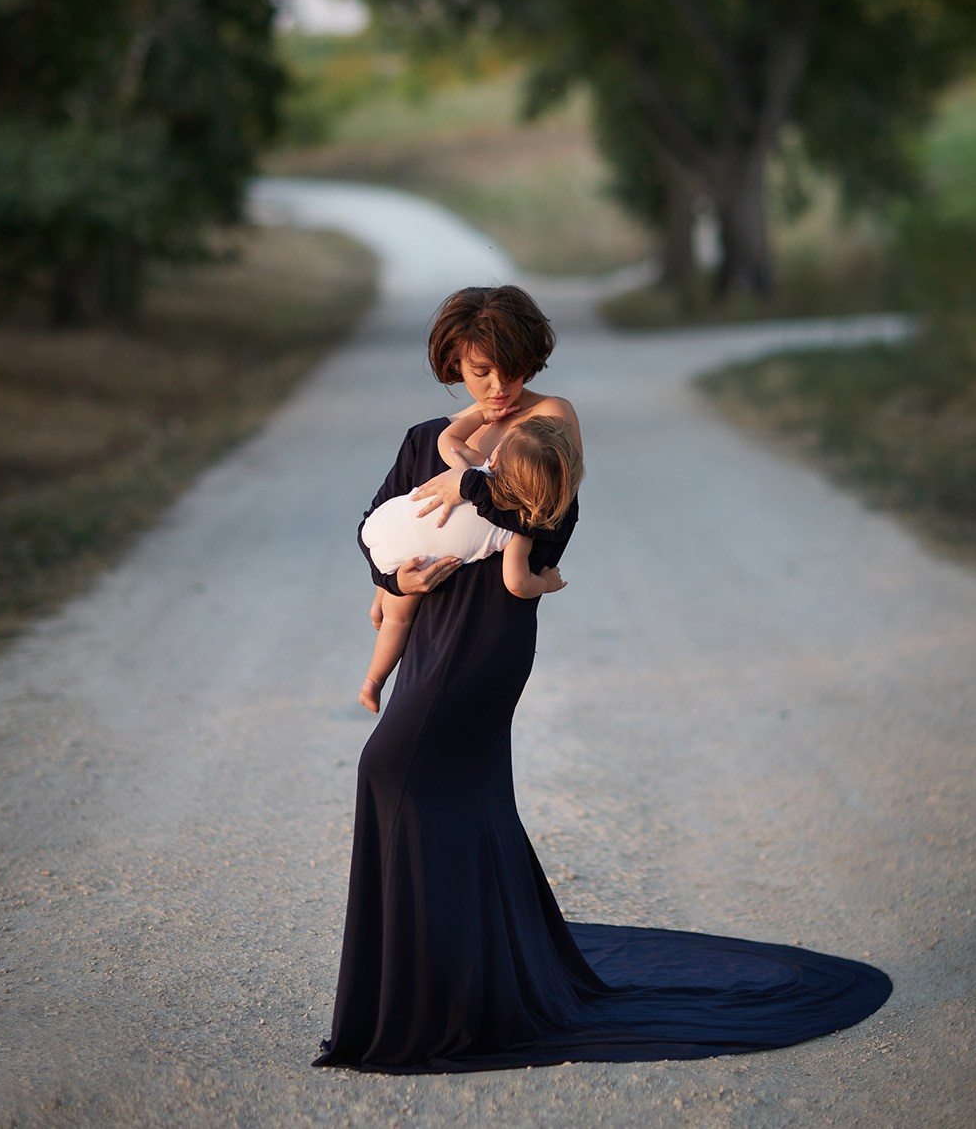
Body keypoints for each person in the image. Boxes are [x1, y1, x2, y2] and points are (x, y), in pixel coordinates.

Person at [315, 284, 890, 1074]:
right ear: (453, 365)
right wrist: (395, 581)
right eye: (481, 372)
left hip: (489, 637)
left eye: (511, 368)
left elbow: (550, 523)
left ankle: (433, 987)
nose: (499, 386)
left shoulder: (551, 423)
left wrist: (469, 484)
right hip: (431, 630)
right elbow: (375, 522)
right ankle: (462, 977)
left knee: (388, 766)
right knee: (461, 793)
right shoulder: (424, 438)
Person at [358, 414, 582, 712]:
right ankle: (373, 683)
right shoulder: (518, 529)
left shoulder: (476, 470)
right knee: (398, 620)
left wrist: (479, 417)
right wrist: (545, 582)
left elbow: (446, 440)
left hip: (385, 520)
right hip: (408, 557)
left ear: (498, 455)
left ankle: (381, 594)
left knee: (398, 577)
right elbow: (517, 583)